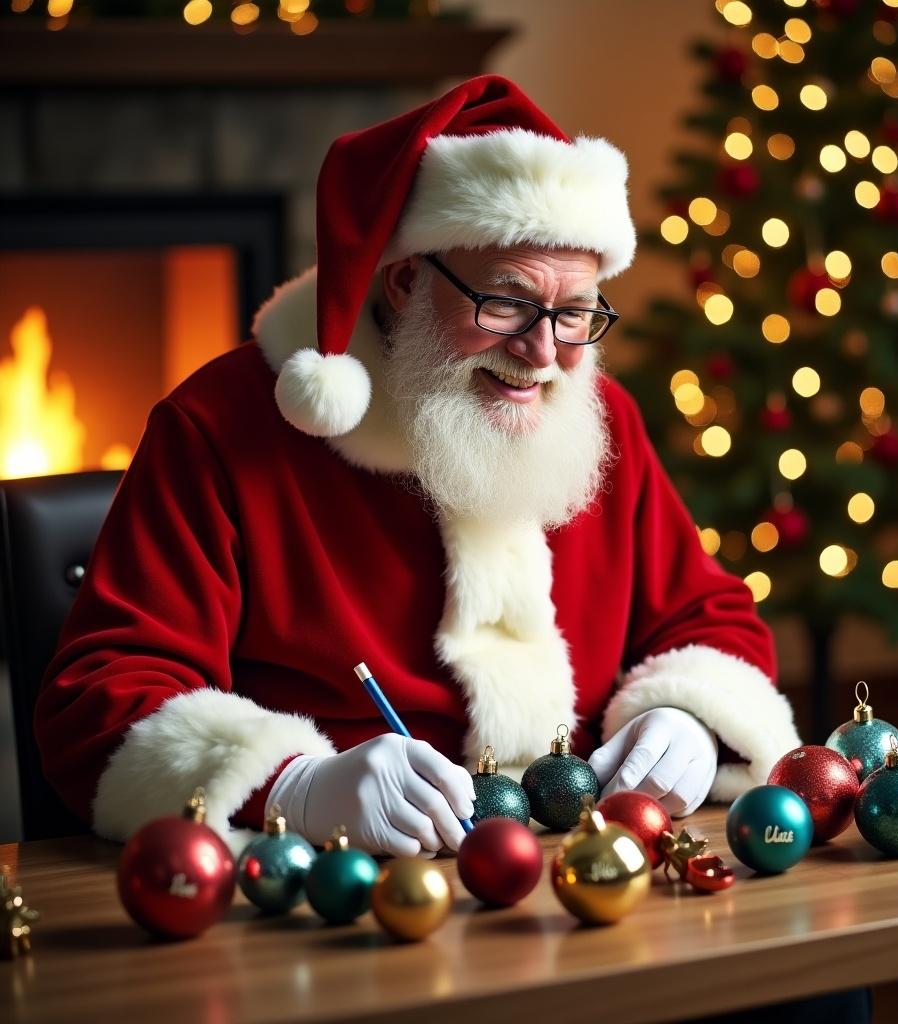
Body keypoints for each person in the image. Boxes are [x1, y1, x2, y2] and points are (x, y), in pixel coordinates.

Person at [34, 75, 800, 859]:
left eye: (575, 313)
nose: (543, 354)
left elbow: (713, 620)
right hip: (336, 893)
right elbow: (101, 698)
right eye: (505, 302)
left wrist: (690, 717)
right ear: (404, 279)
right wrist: (291, 785)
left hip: (587, 870)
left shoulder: (602, 419)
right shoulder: (221, 427)